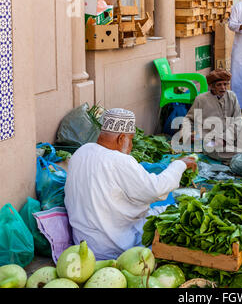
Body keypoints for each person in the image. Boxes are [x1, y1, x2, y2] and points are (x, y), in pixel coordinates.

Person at [64, 108, 198, 259]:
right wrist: (179, 165)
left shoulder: (81, 151)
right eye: (131, 139)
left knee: (158, 212)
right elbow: (156, 190)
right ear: (121, 138)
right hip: (113, 247)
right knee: (172, 214)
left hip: (84, 245)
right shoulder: (119, 160)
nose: (132, 146)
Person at [177, 69, 242, 162]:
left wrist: (225, 138)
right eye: (219, 85)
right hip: (214, 142)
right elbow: (188, 119)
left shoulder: (232, 96)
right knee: (213, 149)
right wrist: (186, 134)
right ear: (211, 86)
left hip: (233, 137)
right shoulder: (201, 99)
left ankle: (241, 154)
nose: (223, 87)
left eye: (225, 84)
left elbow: (238, 119)